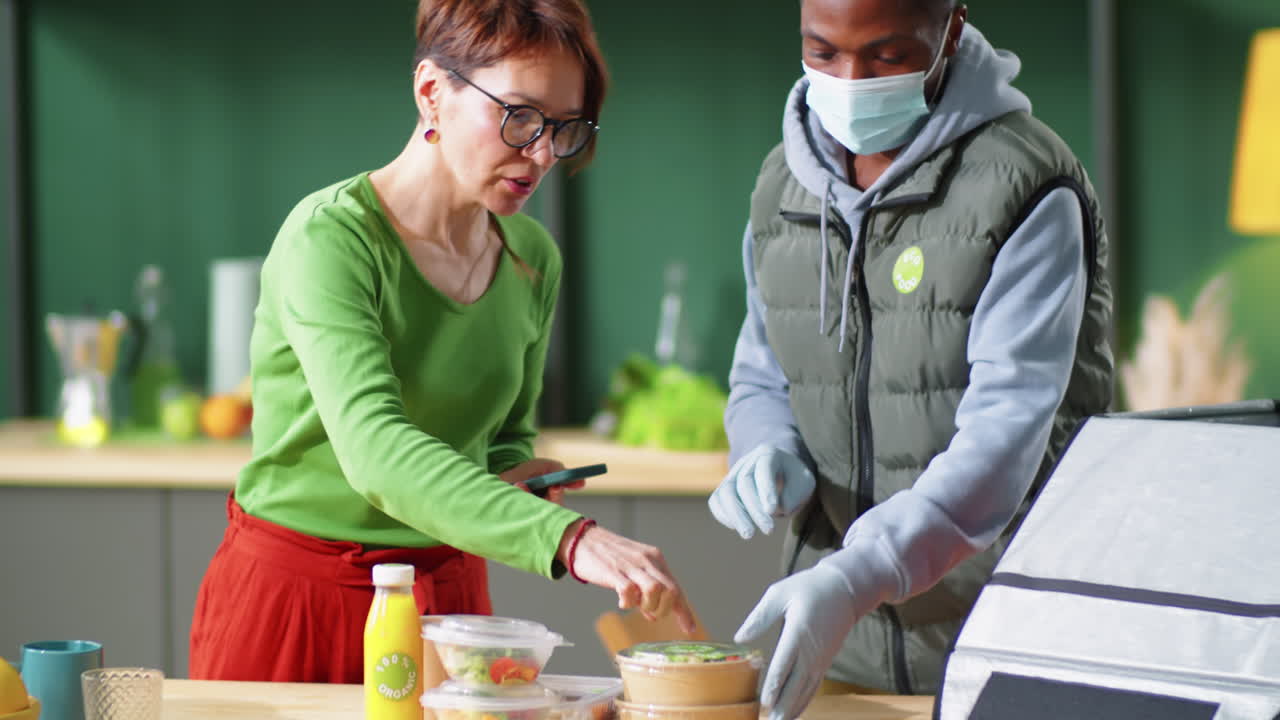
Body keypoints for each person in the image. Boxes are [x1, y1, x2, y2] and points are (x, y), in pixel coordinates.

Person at [190, 0, 693, 683]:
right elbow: (375, 451)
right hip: (298, 601)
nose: (542, 152)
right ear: (432, 92)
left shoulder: (531, 257)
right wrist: (567, 540)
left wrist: (522, 478)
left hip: (450, 607)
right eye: (518, 116)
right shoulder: (331, 239)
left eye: (563, 128)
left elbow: (505, 437)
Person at [708, 0, 1113, 717]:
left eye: (888, 56)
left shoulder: (1023, 188)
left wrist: (858, 573)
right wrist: (763, 449)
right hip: (838, 645)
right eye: (823, 51)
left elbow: (1004, 440)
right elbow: (762, 371)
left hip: (1003, 644)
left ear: (950, 30)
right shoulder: (782, 184)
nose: (851, 80)